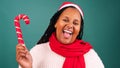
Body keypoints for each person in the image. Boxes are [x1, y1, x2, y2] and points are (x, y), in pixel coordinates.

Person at [16, 2, 104, 68]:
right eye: (65, 20)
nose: (70, 25)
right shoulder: (37, 52)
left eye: (75, 23)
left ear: (79, 29)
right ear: (56, 23)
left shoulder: (90, 56)